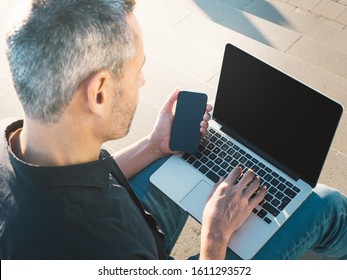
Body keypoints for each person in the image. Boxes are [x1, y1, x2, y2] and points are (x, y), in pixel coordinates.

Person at [0, 0, 346, 260]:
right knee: (325, 205)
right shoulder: (107, 251)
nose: (142, 80)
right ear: (100, 92)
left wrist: (154, 145)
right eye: (137, 69)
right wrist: (214, 235)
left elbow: (83, 179)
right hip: (147, 248)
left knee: (188, 152)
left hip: (133, 216)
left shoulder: (16, 139)